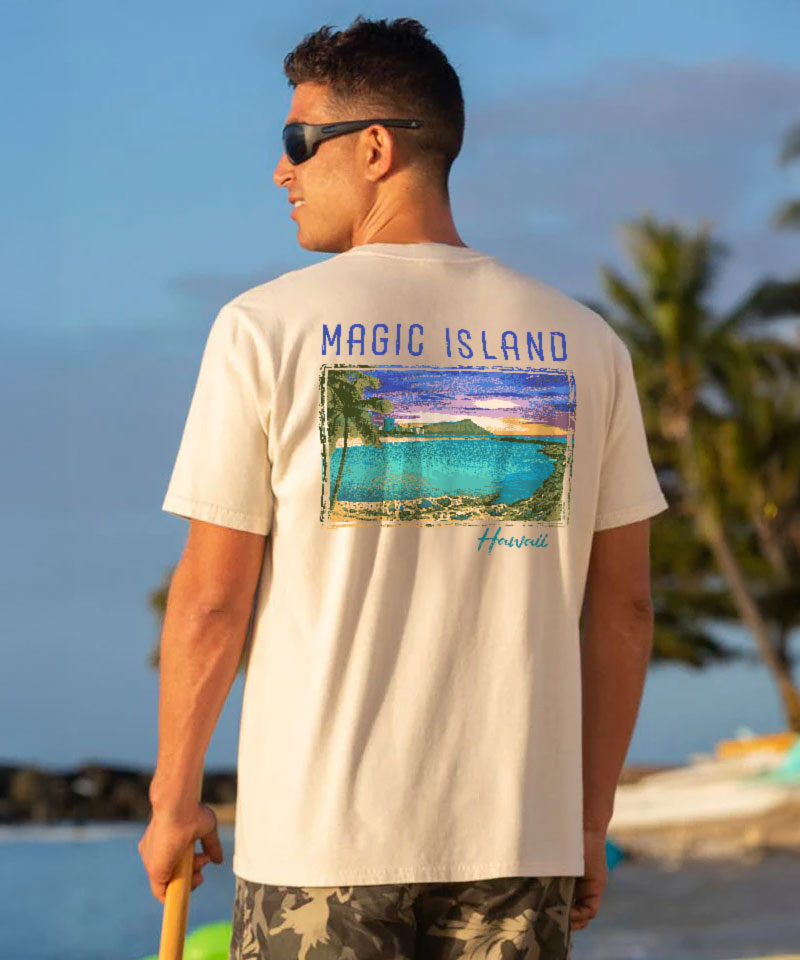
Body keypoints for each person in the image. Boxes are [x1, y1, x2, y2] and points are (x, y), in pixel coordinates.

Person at [138, 15, 669, 960]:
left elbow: (214, 599)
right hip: (520, 843)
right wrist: (588, 823)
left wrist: (172, 798)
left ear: (375, 147)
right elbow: (623, 609)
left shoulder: (265, 328)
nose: (282, 171)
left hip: (319, 844)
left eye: (299, 140)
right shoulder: (588, 343)